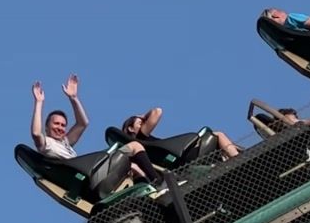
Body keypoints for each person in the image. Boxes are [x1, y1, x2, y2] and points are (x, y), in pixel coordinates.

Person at [31, 75, 163, 182]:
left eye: (63, 125)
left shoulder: (65, 143)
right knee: (135, 146)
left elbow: (83, 123)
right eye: (56, 124)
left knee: (133, 167)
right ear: (46, 128)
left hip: (92, 172)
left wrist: (73, 98)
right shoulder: (47, 144)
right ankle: (158, 181)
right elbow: (36, 133)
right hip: (91, 175)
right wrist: (39, 102)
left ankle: (150, 192)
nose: (60, 127)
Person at [120, 107, 241, 160]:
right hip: (186, 156)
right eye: (140, 122)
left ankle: (234, 153)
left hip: (179, 158)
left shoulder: (143, 146)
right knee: (217, 135)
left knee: (218, 142)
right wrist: (143, 115)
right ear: (131, 128)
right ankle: (237, 158)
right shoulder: (141, 137)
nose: (144, 122)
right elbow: (157, 111)